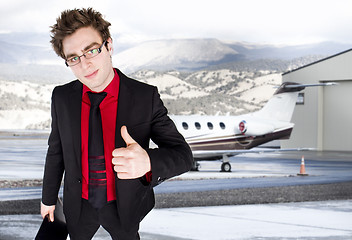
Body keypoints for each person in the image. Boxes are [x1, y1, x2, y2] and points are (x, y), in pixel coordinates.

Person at [40, 8, 193, 240]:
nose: (84, 64)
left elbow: (183, 155)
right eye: (73, 58)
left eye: (91, 50)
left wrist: (147, 162)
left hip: (125, 206)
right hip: (79, 205)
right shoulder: (61, 97)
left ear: (109, 45)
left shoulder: (145, 97)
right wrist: (48, 199)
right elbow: (56, 152)